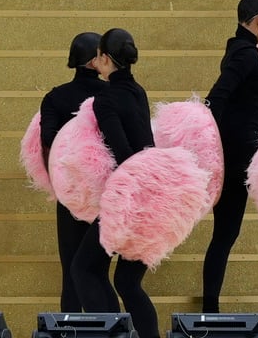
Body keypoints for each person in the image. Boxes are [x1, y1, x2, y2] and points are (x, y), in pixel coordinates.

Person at [72, 28, 158, 338]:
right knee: (127, 281)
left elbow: (123, 153)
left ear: (105, 59)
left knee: (84, 269)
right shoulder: (138, 91)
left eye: (97, 56)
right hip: (152, 191)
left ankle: (111, 335)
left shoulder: (104, 99)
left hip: (129, 195)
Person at [202, 0, 258, 313]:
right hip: (241, 157)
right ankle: (210, 308)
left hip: (241, 153)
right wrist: (210, 140)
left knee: (224, 235)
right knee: (225, 235)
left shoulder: (241, 50)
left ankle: (210, 306)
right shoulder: (246, 54)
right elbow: (217, 96)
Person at [38, 32, 107, 313]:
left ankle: (67, 331)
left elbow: (48, 140)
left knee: (70, 272)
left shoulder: (55, 97)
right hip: (104, 195)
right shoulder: (111, 94)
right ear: (93, 61)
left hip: (68, 194)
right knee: (97, 273)